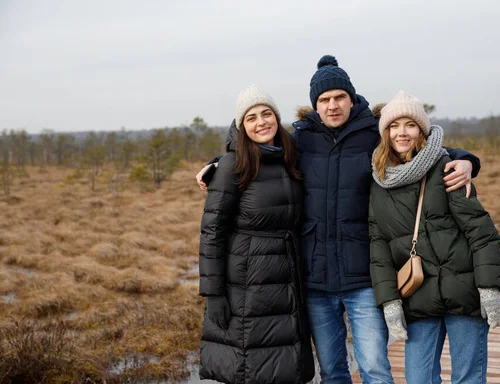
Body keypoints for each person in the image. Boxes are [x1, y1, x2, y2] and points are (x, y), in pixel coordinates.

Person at [197, 55, 480, 384]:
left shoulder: (373, 135)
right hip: (315, 280)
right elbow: (260, 150)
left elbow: (417, 147)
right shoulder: (300, 139)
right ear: (315, 105)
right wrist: (218, 164)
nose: (332, 106)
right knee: (332, 371)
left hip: (363, 277)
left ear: (351, 98)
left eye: (338, 97)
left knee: (374, 367)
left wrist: (465, 159)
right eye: (324, 100)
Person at [369, 91, 500, 383]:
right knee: (419, 379)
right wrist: (390, 302)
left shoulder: (447, 169)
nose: (401, 132)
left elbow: (481, 233)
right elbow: (378, 246)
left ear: (421, 129)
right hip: (418, 298)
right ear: (385, 132)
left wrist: (489, 288)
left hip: (464, 294)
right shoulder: (379, 182)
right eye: (394, 125)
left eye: (409, 124)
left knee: (468, 378)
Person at [198, 85, 314, 384]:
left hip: (288, 276)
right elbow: (212, 232)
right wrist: (214, 295)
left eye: (266, 114)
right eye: (251, 118)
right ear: (242, 126)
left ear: (276, 117)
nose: (261, 122)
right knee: (252, 368)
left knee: (287, 365)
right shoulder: (231, 166)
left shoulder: (290, 157)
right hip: (247, 282)